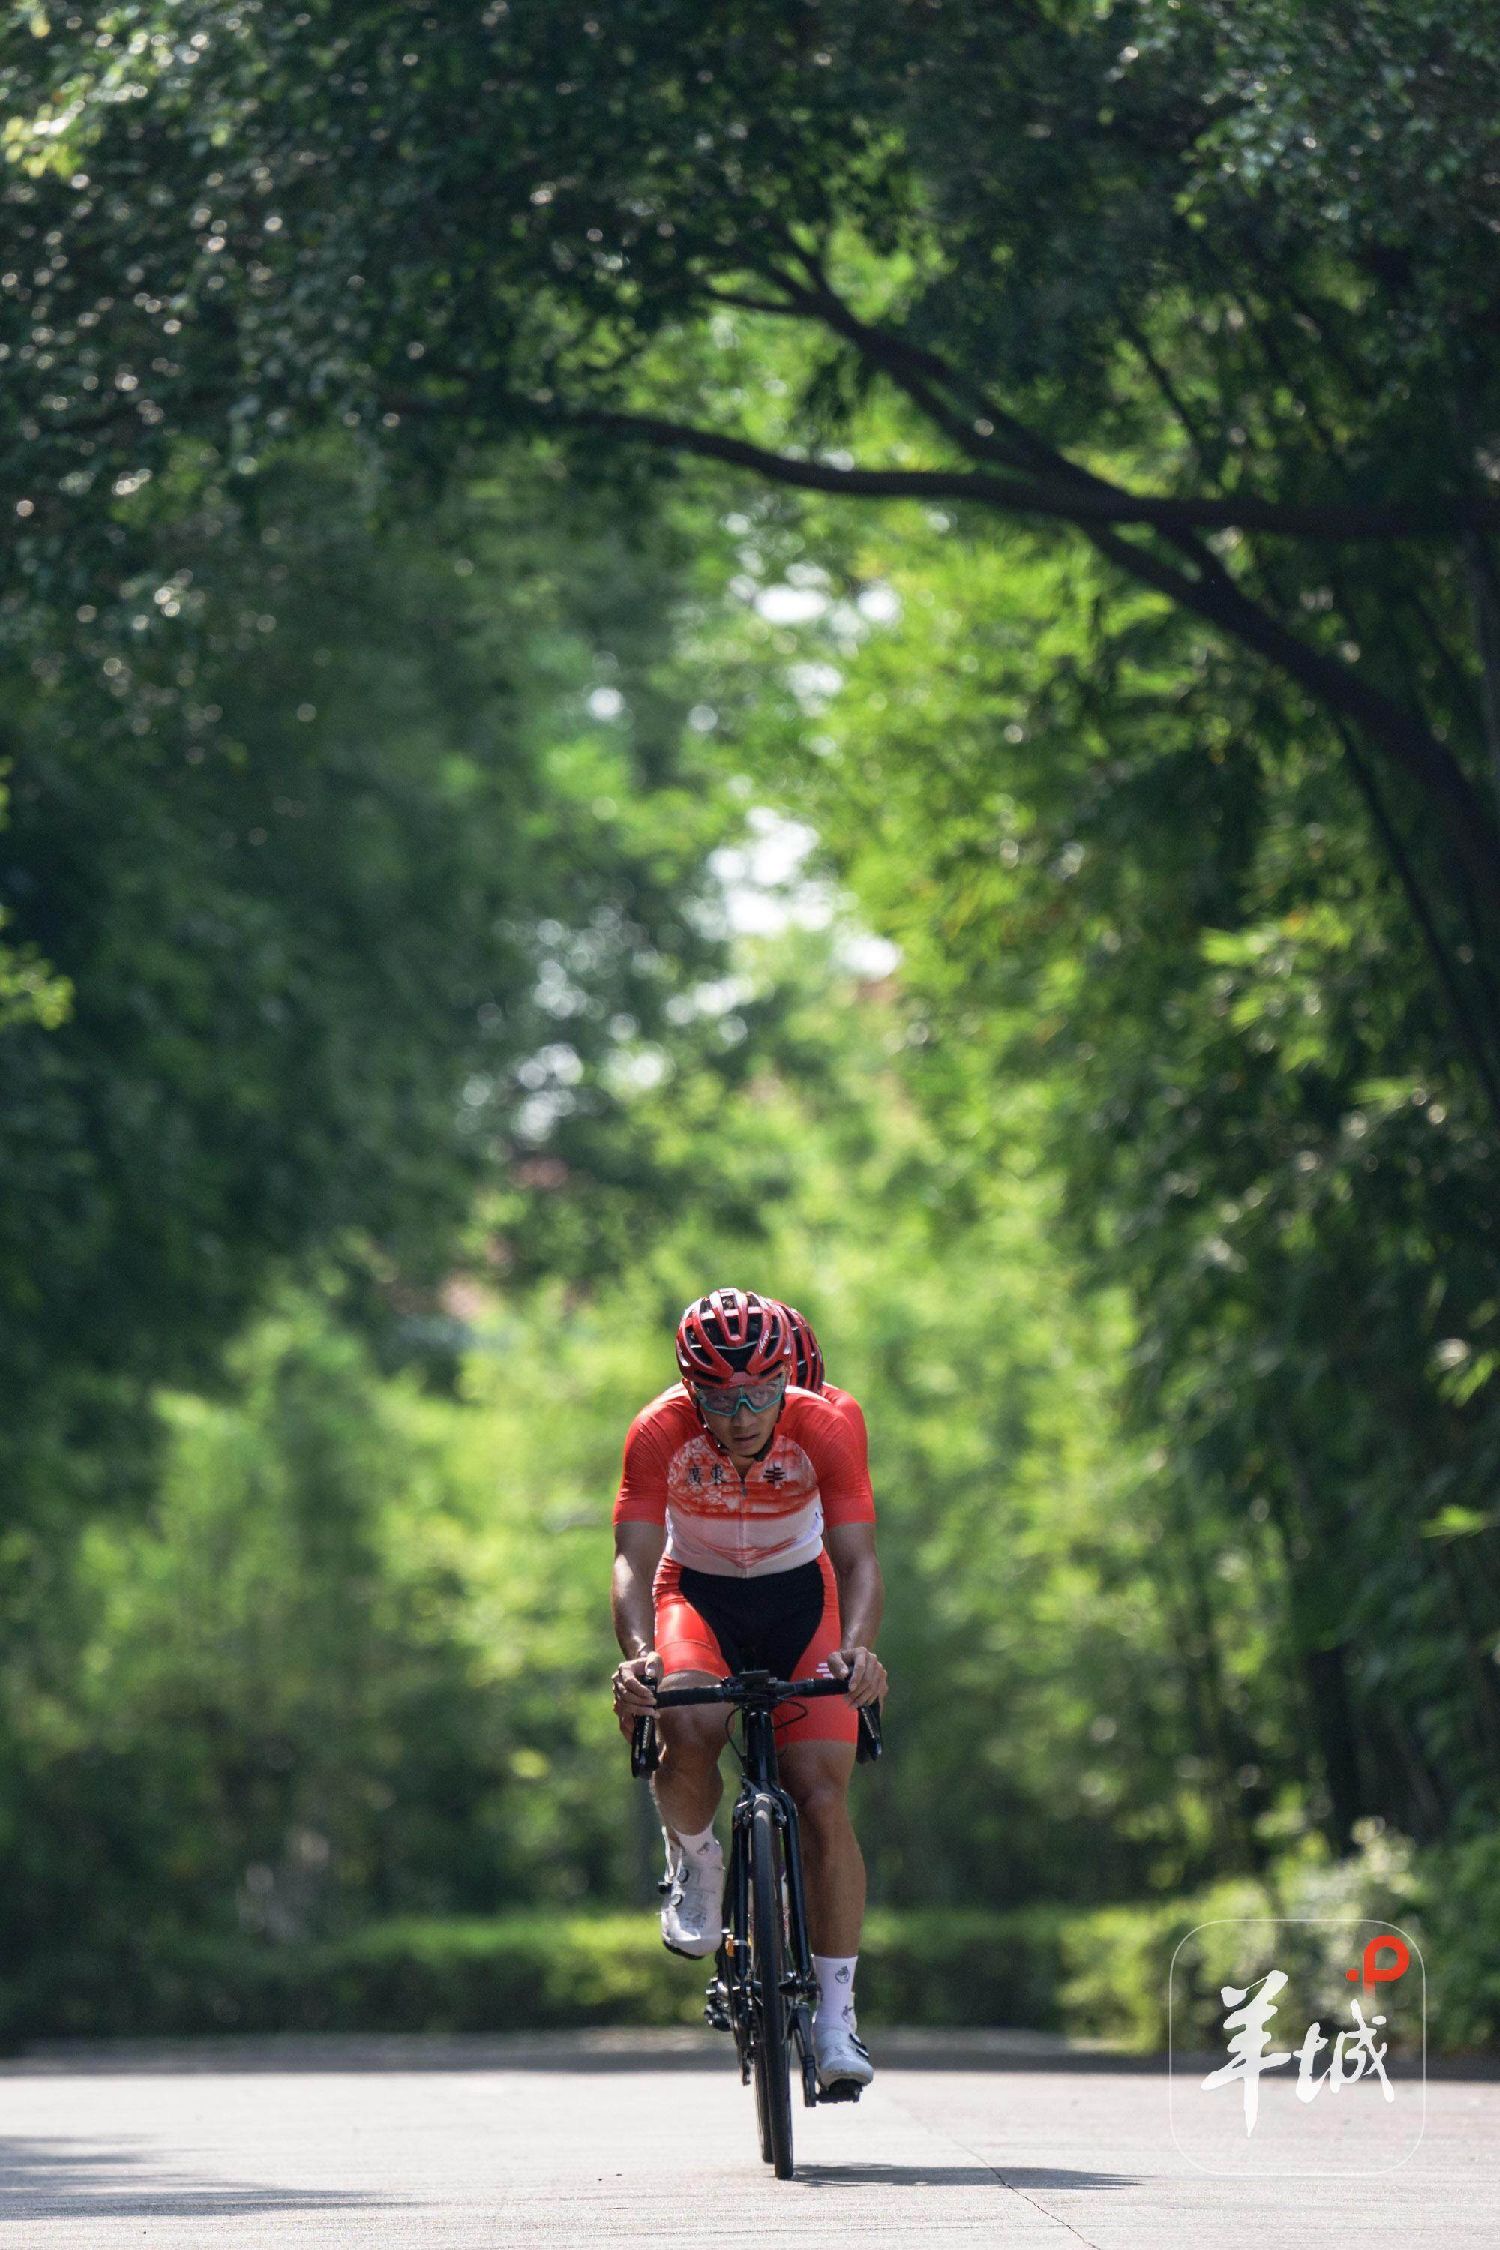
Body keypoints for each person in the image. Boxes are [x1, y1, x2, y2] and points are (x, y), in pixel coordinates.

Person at [611, 1287, 888, 2093]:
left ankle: (837, 2021)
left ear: (786, 1383)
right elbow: (631, 1558)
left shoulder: (826, 1424)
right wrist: (638, 1657)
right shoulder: (658, 1429)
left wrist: (859, 1653)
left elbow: (859, 1560)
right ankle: (697, 1858)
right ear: (690, 1389)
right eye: (720, 1399)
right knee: (688, 1725)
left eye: (760, 1395)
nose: (741, 1417)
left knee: (821, 1798)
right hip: (696, 1595)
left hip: (803, 1596)